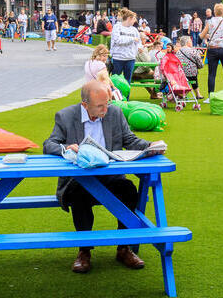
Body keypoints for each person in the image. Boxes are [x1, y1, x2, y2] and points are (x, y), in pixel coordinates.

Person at [42, 81, 166, 274]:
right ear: (85, 105)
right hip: (79, 179)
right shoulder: (66, 116)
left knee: (129, 190)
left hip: (110, 177)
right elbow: (49, 144)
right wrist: (65, 148)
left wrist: (151, 146)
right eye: (100, 106)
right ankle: (84, 251)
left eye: (107, 103)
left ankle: (124, 248)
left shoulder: (115, 113)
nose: (105, 109)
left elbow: (130, 140)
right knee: (78, 196)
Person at [109, 8, 141, 91]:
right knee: (115, 80)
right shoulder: (117, 27)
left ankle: (126, 100)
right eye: (134, 19)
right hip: (118, 58)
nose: (135, 21)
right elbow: (118, 40)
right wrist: (132, 39)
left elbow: (138, 42)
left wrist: (139, 47)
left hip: (130, 59)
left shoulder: (134, 30)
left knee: (128, 81)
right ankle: (115, 100)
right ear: (129, 18)